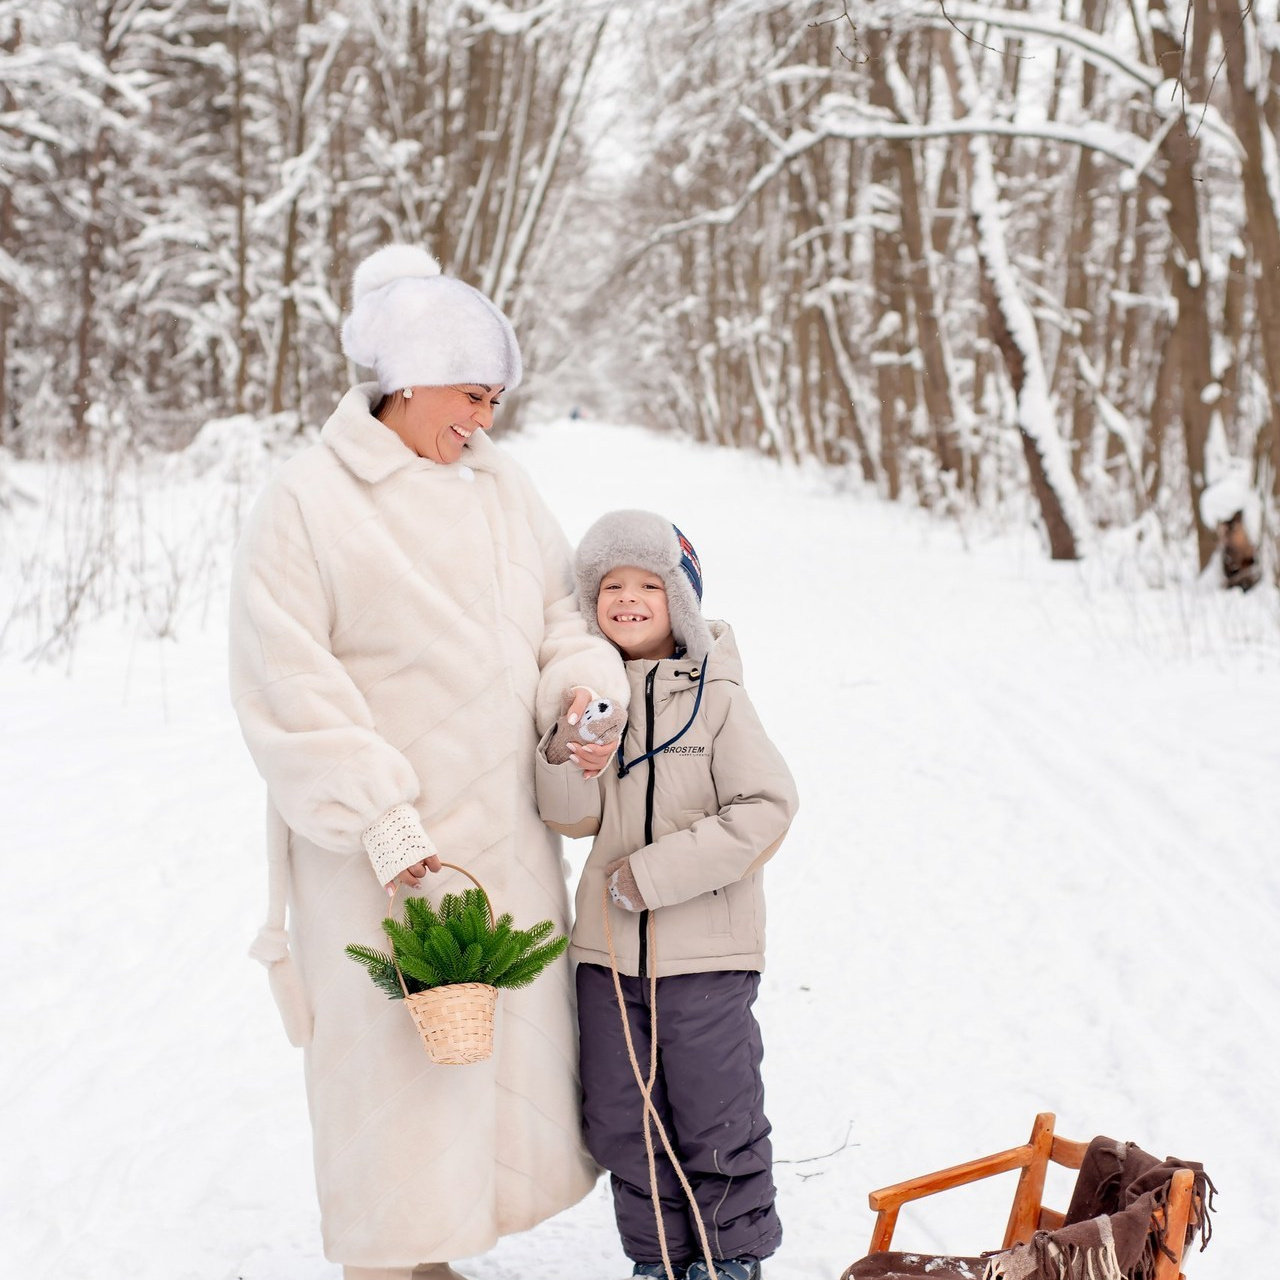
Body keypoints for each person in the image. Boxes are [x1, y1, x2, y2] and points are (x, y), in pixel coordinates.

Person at [229, 244, 626, 1280]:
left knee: (481, 1076)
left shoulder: (502, 488)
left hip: (501, 839)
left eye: (495, 398)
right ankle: (388, 1258)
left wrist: (581, 687)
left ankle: (436, 1251)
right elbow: (289, 684)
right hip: (375, 853)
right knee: (387, 1078)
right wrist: (385, 823)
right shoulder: (307, 501)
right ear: (406, 377)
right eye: (472, 393)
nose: (484, 419)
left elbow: (558, 617)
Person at [535, 511, 799, 1280]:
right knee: (624, 1118)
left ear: (678, 600)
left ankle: (732, 1258)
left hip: (707, 956)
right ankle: (657, 1260)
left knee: (717, 1114)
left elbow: (766, 808)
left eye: (647, 584)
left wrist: (654, 874)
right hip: (608, 957)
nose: (627, 598)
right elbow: (570, 814)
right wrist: (563, 747)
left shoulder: (717, 698)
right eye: (610, 585)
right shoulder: (593, 697)